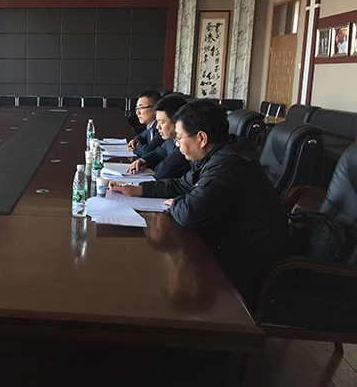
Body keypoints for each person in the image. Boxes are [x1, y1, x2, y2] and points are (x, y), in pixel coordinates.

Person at [110, 100, 290, 309]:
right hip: (232, 246)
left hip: (249, 266)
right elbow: (182, 184)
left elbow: (190, 213)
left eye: (179, 138)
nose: (176, 144)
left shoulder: (226, 166)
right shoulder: (219, 154)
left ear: (202, 138)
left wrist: (176, 203)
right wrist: (140, 189)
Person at [126, 94, 189, 180]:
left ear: (177, 122)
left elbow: (161, 172)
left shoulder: (186, 145)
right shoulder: (170, 140)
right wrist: (143, 161)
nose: (157, 127)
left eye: (162, 122)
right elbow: (158, 153)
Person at [127, 90, 163, 157]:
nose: (137, 113)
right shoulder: (150, 126)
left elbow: (148, 150)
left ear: (155, 108)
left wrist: (135, 147)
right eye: (137, 108)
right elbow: (141, 136)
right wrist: (135, 141)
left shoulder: (161, 127)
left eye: (141, 108)